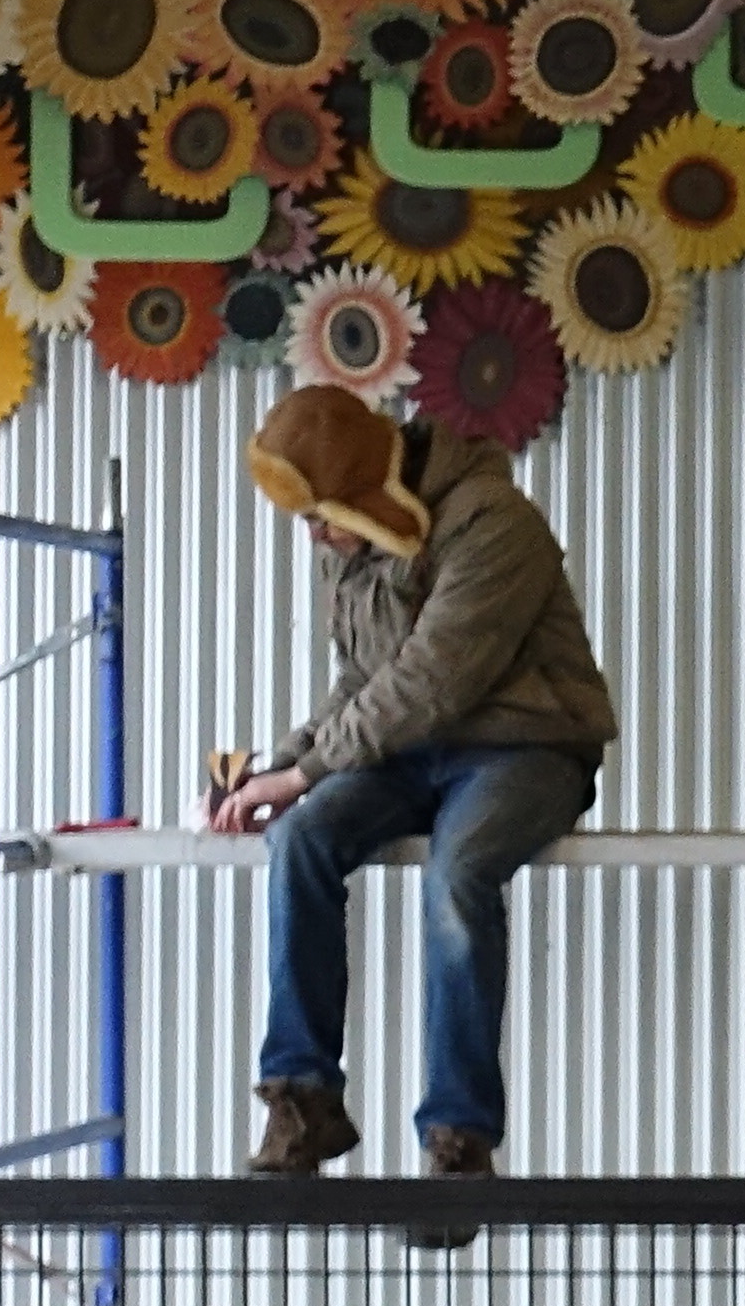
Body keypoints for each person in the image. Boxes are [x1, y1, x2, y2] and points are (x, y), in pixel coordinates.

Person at [211, 386, 614, 1193]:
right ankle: (302, 1100)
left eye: (320, 514)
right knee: (300, 838)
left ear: (365, 490)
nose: (316, 536)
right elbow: (363, 679)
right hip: (411, 750)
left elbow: (434, 679)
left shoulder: (495, 523)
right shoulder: (355, 536)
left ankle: (458, 1145)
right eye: (306, 520)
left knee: (459, 874)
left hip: (525, 745)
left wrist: (305, 771)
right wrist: (279, 769)